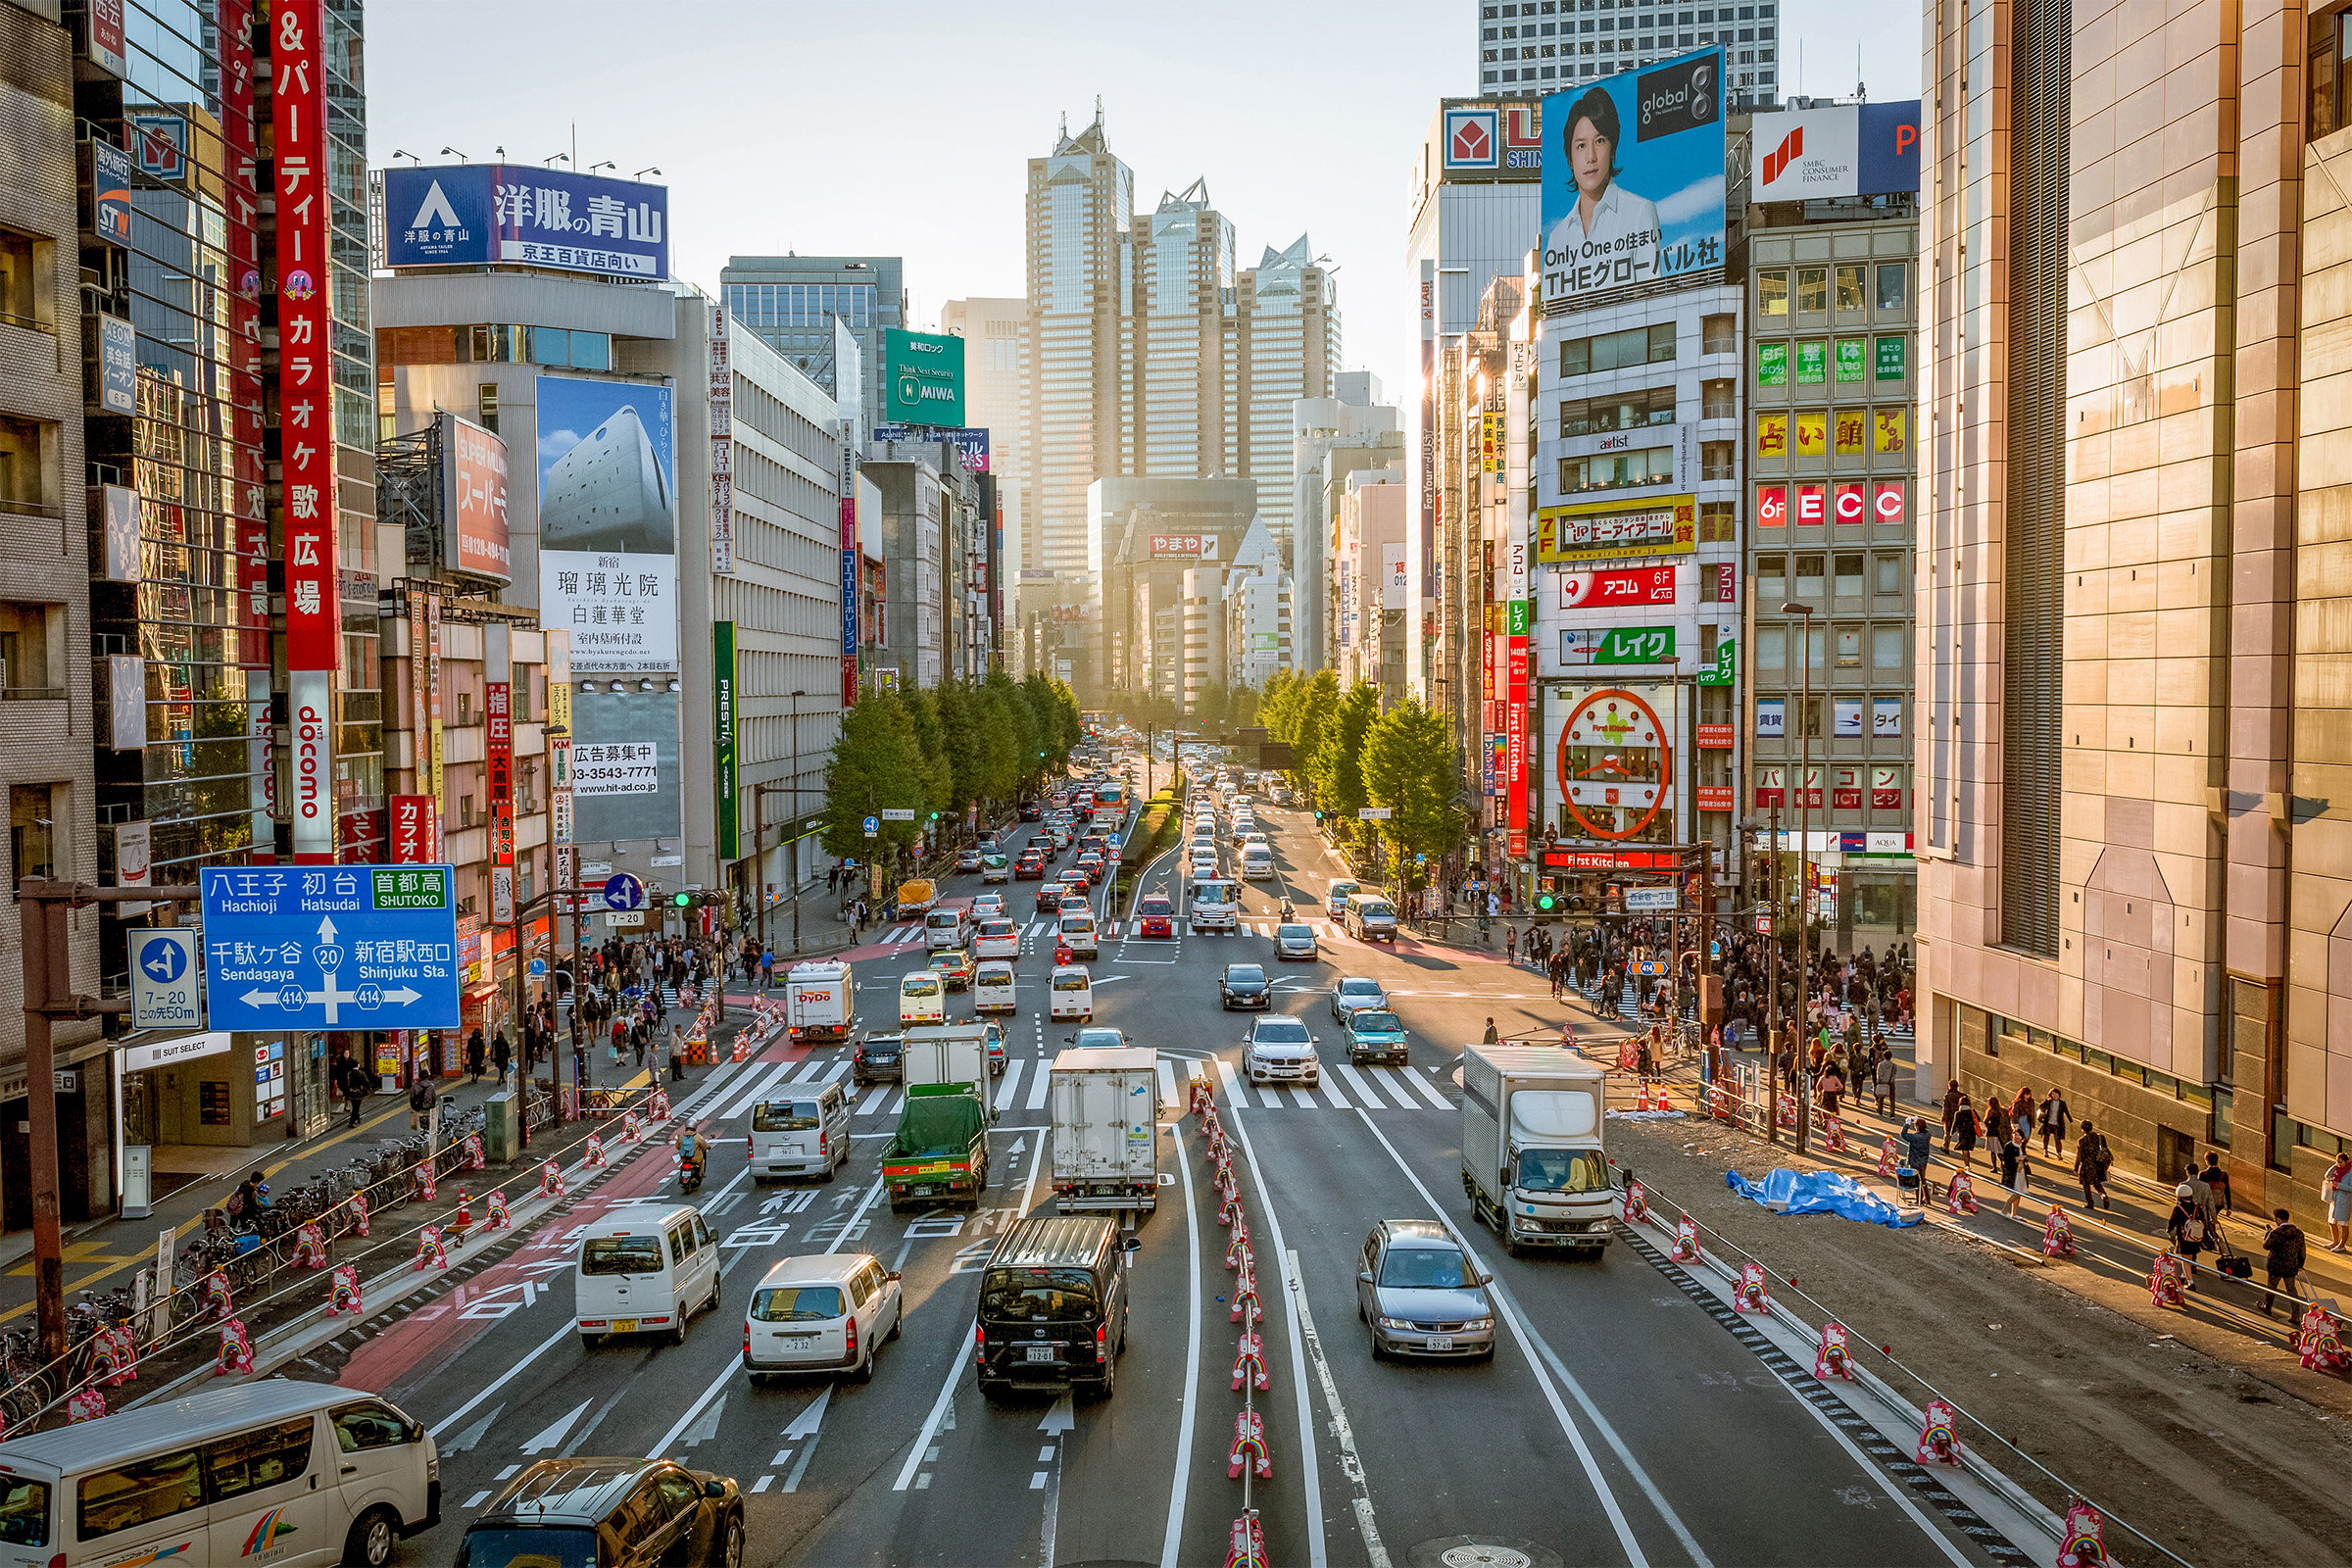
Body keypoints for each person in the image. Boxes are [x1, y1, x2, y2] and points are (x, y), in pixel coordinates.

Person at [1544, 87, 1663, 304]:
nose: (1590, 157)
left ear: (1612, 148)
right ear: (1570, 159)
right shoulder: (1557, 238)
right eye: (1581, 146)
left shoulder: (1640, 212)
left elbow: (1651, 297)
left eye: (1599, 141)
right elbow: (1553, 316)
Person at [2261, 1208, 2308, 1316]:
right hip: (2291, 1266)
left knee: (2271, 1288)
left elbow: (2266, 1246)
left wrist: (2268, 1233)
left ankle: (2267, 1308)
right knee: (2291, 1289)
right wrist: (2300, 1265)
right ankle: (2296, 1315)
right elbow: (2302, 1251)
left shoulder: (2275, 1233)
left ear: (2278, 1219)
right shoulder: (2298, 1233)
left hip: (2275, 1265)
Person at [2168, 1182, 2213, 1289]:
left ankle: (2190, 1282)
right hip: (2196, 1237)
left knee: (2185, 1260)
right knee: (2190, 1257)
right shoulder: (2196, 1206)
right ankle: (2184, 1274)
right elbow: (2203, 1220)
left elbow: (2172, 1223)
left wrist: (2170, 1231)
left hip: (2184, 1238)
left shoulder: (2178, 1208)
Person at [2074, 1120, 2113, 1211]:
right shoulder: (2098, 1137)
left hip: (2086, 1166)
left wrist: (2076, 1168)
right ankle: (2103, 1195)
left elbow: (2079, 1156)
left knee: (2086, 1185)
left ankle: (2090, 1203)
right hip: (2097, 1164)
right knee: (2097, 1183)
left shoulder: (2081, 1140)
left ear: (2082, 1129)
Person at [1899, 1116, 1935, 1204]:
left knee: (1916, 1181)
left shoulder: (1915, 1137)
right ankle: (1927, 1198)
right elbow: (1927, 1129)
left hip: (1915, 1160)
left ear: (1917, 1127)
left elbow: (1903, 1134)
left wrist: (1907, 1124)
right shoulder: (1928, 1134)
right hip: (1924, 1160)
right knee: (1923, 1180)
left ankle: (1918, 1199)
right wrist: (1917, 1121)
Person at [2198, 1151, 2233, 1219]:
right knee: (2213, 1217)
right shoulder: (2223, 1175)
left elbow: (2199, 1191)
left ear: (2206, 1161)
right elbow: (2227, 1191)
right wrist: (2229, 1208)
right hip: (2218, 1204)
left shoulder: (2203, 1174)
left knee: (2206, 1218)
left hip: (2206, 1203)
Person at [2037, 1086, 2071, 1157]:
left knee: (2057, 1139)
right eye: (2052, 1094)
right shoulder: (2048, 1102)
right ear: (2050, 1095)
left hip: (2057, 1124)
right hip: (2048, 1122)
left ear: (2059, 1094)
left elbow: (2066, 1111)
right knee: (2046, 1137)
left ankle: (2059, 1154)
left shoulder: (2062, 1103)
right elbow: (2041, 1106)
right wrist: (2043, 1112)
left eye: (2056, 1094)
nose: (2054, 1095)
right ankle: (2045, 1151)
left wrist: (2070, 1119)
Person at [1998, 1135, 2028, 1217]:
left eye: (2019, 1135)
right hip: (2013, 1172)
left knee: (2019, 1192)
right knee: (2017, 1193)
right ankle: (2004, 1210)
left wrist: (2024, 1158)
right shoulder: (2009, 1146)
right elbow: (2006, 1159)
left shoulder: (2022, 1145)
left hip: (2022, 1171)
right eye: (2015, 1134)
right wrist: (2017, 1158)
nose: (2017, 1137)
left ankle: (2014, 1213)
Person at [1951, 1094, 1980, 1170]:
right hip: (1971, 1133)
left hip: (1962, 1133)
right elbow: (1978, 1119)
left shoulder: (1958, 1113)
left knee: (1965, 1150)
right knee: (1968, 1149)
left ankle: (1967, 1165)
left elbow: (1955, 1123)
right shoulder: (1972, 1111)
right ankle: (1967, 1165)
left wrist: (1951, 1132)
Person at [340, 1055, 370, 1129]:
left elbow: (346, 1084)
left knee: (354, 1106)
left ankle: (358, 1118)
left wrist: (345, 1093)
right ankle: (352, 1122)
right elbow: (366, 1082)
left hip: (351, 1092)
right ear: (357, 1065)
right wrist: (368, 1088)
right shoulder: (361, 1073)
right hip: (358, 1092)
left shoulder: (349, 1073)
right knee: (356, 1108)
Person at [1872, 1053, 1896, 1117]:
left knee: (1881, 1097)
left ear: (1884, 1056)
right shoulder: (1894, 1065)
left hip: (1882, 1082)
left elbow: (1879, 1074)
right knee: (1892, 1099)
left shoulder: (1880, 1064)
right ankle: (1892, 1114)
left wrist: (1878, 1082)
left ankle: (1880, 1111)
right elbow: (1894, 1075)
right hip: (1890, 1083)